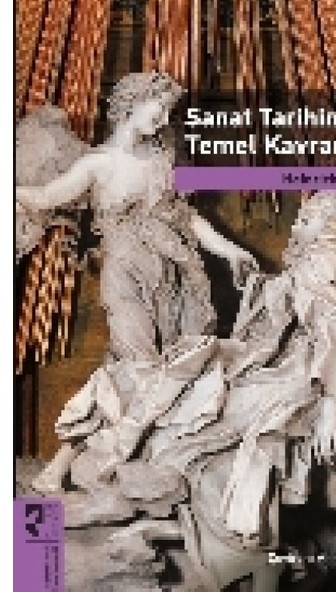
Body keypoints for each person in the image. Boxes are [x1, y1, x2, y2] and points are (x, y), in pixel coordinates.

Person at [20, 192, 336, 590]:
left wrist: (328, 404)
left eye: (307, 220)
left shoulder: (319, 265)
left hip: (290, 374)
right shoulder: (313, 266)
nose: (296, 225)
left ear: (331, 230)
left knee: (187, 393)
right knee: (181, 380)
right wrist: (260, 287)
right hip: (266, 361)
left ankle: (126, 461)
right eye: (302, 217)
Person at [16, 71, 258, 493]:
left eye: (168, 110)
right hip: (126, 276)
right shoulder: (97, 163)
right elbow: (45, 198)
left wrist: (231, 250)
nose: (163, 118)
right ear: (130, 103)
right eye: (157, 108)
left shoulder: (162, 161)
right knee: (133, 369)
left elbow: (189, 219)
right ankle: (87, 464)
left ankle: (84, 469)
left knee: (170, 372)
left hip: (175, 277)